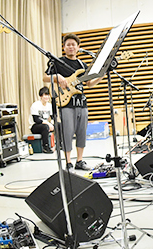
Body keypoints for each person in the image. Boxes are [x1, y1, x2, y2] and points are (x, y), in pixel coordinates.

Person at [43, 34, 101, 170]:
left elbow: (89, 84)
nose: (71, 47)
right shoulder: (58, 62)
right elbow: (45, 77)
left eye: (73, 44)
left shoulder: (82, 65)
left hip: (82, 103)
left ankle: (79, 161)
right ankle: (68, 161)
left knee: (82, 133)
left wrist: (101, 76)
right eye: (68, 44)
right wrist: (57, 77)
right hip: (66, 104)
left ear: (78, 47)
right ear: (64, 47)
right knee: (67, 133)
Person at [29, 86, 54, 153]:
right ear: (41, 96)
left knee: (59, 125)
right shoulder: (35, 105)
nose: (47, 97)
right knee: (45, 127)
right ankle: (46, 147)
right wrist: (48, 123)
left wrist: (52, 123)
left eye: (48, 95)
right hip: (35, 126)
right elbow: (36, 120)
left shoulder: (49, 105)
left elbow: (52, 117)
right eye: (45, 95)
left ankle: (60, 144)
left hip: (46, 124)